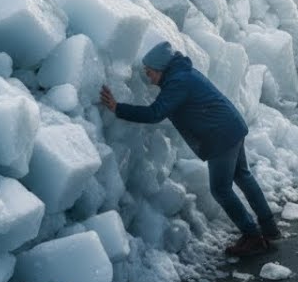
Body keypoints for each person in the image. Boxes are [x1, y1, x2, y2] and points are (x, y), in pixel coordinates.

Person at [100, 42, 280, 256]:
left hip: (220, 136)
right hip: (230, 128)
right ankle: (268, 227)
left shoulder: (178, 82)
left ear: (160, 68)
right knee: (243, 176)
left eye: (149, 72)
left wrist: (117, 108)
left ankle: (253, 237)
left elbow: (155, 113)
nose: (148, 77)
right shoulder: (182, 74)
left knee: (220, 189)